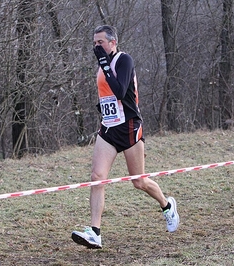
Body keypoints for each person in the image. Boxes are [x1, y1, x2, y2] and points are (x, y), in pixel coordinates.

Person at [71, 25, 179, 249]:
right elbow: (108, 95)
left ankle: (167, 205)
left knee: (138, 181)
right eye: (94, 43)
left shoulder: (124, 60)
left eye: (100, 42)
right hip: (109, 128)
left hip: (129, 125)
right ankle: (95, 232)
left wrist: (103, 63)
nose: (97, 47)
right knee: (97, 176)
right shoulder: (101, 67)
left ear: (113, 42)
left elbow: (120, 91)